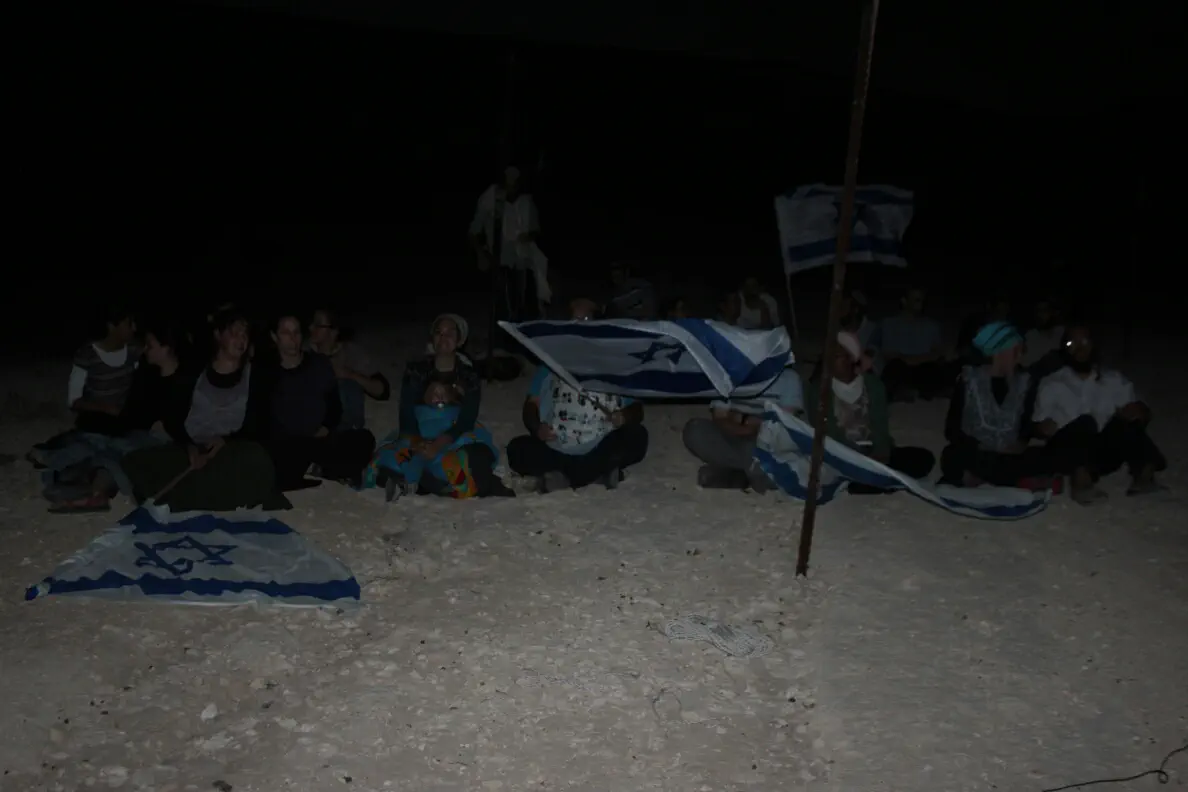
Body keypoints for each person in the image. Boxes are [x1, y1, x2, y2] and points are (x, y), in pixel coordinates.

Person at [121, 310, 289, 512]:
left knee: (255, 458)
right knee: (136, 460)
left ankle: (187, 497)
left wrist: (225, 441)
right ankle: (204, 494)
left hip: (230, 450)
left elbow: (258, 425)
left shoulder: (256, 376)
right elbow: (173, 417)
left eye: (244, 334)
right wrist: (189, 447)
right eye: (234, 333)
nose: (241, 339)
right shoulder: (193, 370)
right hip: (192, 449)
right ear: (218, 335)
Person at [506, 298, 649, 492]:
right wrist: (537, 428)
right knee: (517, 448)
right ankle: (597, 475)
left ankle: (565, 477)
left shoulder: (613, 363)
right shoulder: (551, 362)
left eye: (585, 319)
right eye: (574, 320)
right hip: (559, 445)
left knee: (637, 436)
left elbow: (637, 409)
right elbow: (531, 404)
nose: (578, 325)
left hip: (599, 444)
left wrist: (624, 416)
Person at [43, 326, 181, 513]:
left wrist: (168, 426)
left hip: (160, 441)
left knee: (116, 452)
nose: (145, 349)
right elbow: (135, 412)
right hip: (137, 433)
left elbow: (183, 422)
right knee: (101, 445)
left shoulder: (184, 381)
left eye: (150, 345)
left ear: (166, 348)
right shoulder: (147, 374)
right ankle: (85, 489)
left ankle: (92, 493)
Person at [1032, 324, 1166, 504]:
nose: (1080, 348)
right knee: (1086, 423)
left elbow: (1141, 413)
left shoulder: (1113, 379)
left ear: (1094, 345)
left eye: (1085, 341)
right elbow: (1038, 426)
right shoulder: (1052, 383)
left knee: (1125, 422)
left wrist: (1140, 412)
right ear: (1064, 349)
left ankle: (1144, 475)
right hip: (1068, 452)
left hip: (1103, 452)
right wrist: (1043, 428)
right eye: (1072, 343)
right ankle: (1081, 483)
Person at [390, 313, 507, 495]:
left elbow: (466, 419)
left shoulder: (468, 375)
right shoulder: (416, 371)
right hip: (422, 432)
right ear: (432, 338)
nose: (443, 338)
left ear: (459, 341)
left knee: (477, 455)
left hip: (454, 434)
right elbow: (406, 413)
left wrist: (438, 444)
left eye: (450, 333)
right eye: (439, 333)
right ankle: (440, 482)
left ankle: (433, 482)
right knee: (393, 460)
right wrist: (419, 442)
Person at [804, 331, 935, 493]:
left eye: (836, 356)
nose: (829, 361)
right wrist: (859, 457)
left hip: (873, 452)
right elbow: (828, 432)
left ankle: (873, 480)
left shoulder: (873, 385)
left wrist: (881, 452)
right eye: (827, 357)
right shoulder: (819, 390)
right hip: (842, 454)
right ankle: (879, 480)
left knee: (923, 458)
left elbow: (880, 425)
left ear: (851, 358)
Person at [260, 315, 376, 490]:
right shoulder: (266, 371)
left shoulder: (318, 364)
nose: (293, 338)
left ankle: (320, 468)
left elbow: (334, 407)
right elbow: (262, 417)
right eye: (286, 333)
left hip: (318, 440)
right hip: (287, 443)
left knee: (364, 439)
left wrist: (327, 426)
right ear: (274, 337)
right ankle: (325, 469)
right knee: (275, 455)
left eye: (296, 332)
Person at [939, 321, 1053, 490]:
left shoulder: (1025, 383)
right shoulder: (969, 380)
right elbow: (952, 429)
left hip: (1008, 454)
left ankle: (981, 477)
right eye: (1016, 350)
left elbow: (1025, 425)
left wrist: (1023, 440)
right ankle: (1010, 479)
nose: (1020, 356)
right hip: (977, 451)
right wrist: (981, 445)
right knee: (951, 454)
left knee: (1041, 455)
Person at [366, 375, 510, 500]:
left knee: (475, 457)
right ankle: (421, 481)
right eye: (434, 392)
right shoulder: (416, 418)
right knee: (392, 458)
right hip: (425, 460)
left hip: (453, 455)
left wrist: (443, 446)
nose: (439, 396)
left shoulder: (461, 418)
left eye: (444, 392)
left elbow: (476, 437)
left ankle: (440, 482)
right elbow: (399, 439)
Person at [682, 360, 805, 491]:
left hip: (768, 441)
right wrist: (747, 426)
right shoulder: (727, 375)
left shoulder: (788, 378)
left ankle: (739, 474)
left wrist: (741, 419)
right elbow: (720, 418)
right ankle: (753, 472)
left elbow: (784, 424)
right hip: (737, 434)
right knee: (694, 431)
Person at [469, 165, 550, 324]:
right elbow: (473, 231)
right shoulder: (490, 199)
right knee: (502, 305)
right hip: (498, 259)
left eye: (515, 180)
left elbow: (536, 229)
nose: (511, 184)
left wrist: (528, 236)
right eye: (508, 178)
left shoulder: (526, 201)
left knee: (527, 304)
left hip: (525, 261)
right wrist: (480, 254)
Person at [307, 308, 390, 431]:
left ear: (333, 331)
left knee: (348, 384)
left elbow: (382, 391)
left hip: (346, 423)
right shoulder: (307, 356)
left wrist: (348, 374)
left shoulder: (351, 353)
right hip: (317, 422)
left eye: (318, 325)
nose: (311, 328)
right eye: (312, 323)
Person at [876, 286, 953, 401]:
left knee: (939, 368)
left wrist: (913, 359)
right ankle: (905, 392)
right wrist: (920, 358)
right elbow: (889, 355)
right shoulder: (890, 324)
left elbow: (937, 353)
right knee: (893, 368)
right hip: (901, 368)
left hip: (923, 369)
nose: (920, 304)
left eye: (922, 300)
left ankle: (920, 391)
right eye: (917, 300)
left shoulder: (931, 325)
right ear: (904, 301)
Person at [1021, 298, 1065, 376]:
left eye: (1045, 311)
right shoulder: (1030, 337)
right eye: (1039, 311)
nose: (1041, 315)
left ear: (1052, 312)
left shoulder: (1062, 332)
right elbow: (1025, 367)